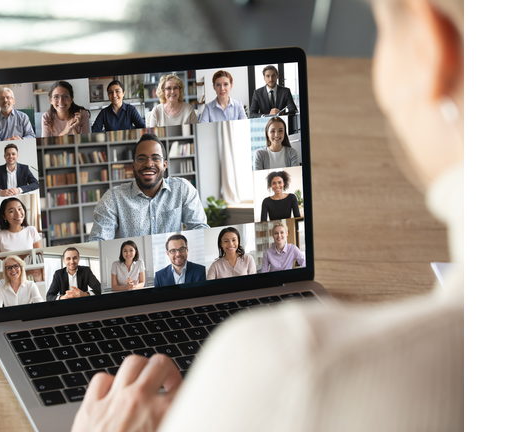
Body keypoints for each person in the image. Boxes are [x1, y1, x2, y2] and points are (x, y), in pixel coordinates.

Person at [71, 0, 463, 429]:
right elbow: (104, 246)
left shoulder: (288, 364)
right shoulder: (115, 199)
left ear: (430, 46)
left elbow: (200, 230)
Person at [88, 133, 209, 242]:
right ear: (133, 166)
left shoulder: (182, 189)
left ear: (164, 165)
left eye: (156, 158)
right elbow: (99, 239)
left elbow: (200, 229)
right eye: (141, 159)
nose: (148, 164)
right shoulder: (113, 198)